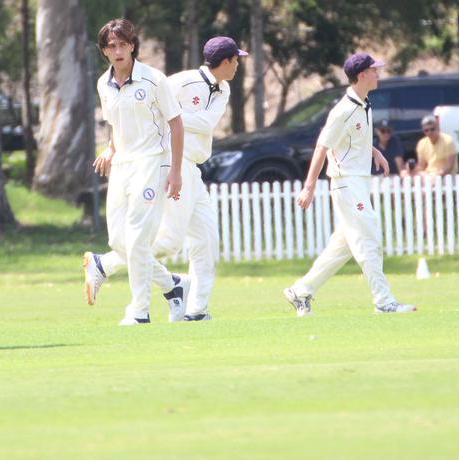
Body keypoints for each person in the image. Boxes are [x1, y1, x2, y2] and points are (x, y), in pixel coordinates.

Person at [85, 36, 247, 322]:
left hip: (194, 166)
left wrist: (175, 116)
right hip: (172, 160)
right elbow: (138, 111)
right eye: (236, 60)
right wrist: (113, 147)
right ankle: (108, 265)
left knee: (207, 240)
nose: (238, 65)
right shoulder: (181, 82)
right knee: (169, 242)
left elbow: (205, 123)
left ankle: (196, 311)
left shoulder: (224, 90)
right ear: (225, 61)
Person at [284, 52, 416, 316]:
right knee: (369, 238)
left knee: (341, 247)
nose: (378, 74)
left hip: (357, 182)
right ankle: (384, 301)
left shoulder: (364, 104)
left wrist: (374, 152)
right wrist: (309, 187)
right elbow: (322, 147)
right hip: (345, 184)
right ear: (362, 75)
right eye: (374, 70)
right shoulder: (343, 110)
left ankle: (300, 291)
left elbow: (354, 140)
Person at [83, 19, 183, 325]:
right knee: (119, 240)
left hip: (152, 161)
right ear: (104, 51)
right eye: (111, 46)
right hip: (123, 165)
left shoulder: (154, 80)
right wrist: (111, 150)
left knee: (138, 238)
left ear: (132, 45)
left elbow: (176, 124)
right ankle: (173, 285)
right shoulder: (103, 83)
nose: (117, 50)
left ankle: (139, 310)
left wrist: (176, 172)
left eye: (122, 44)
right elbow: (116, 124)